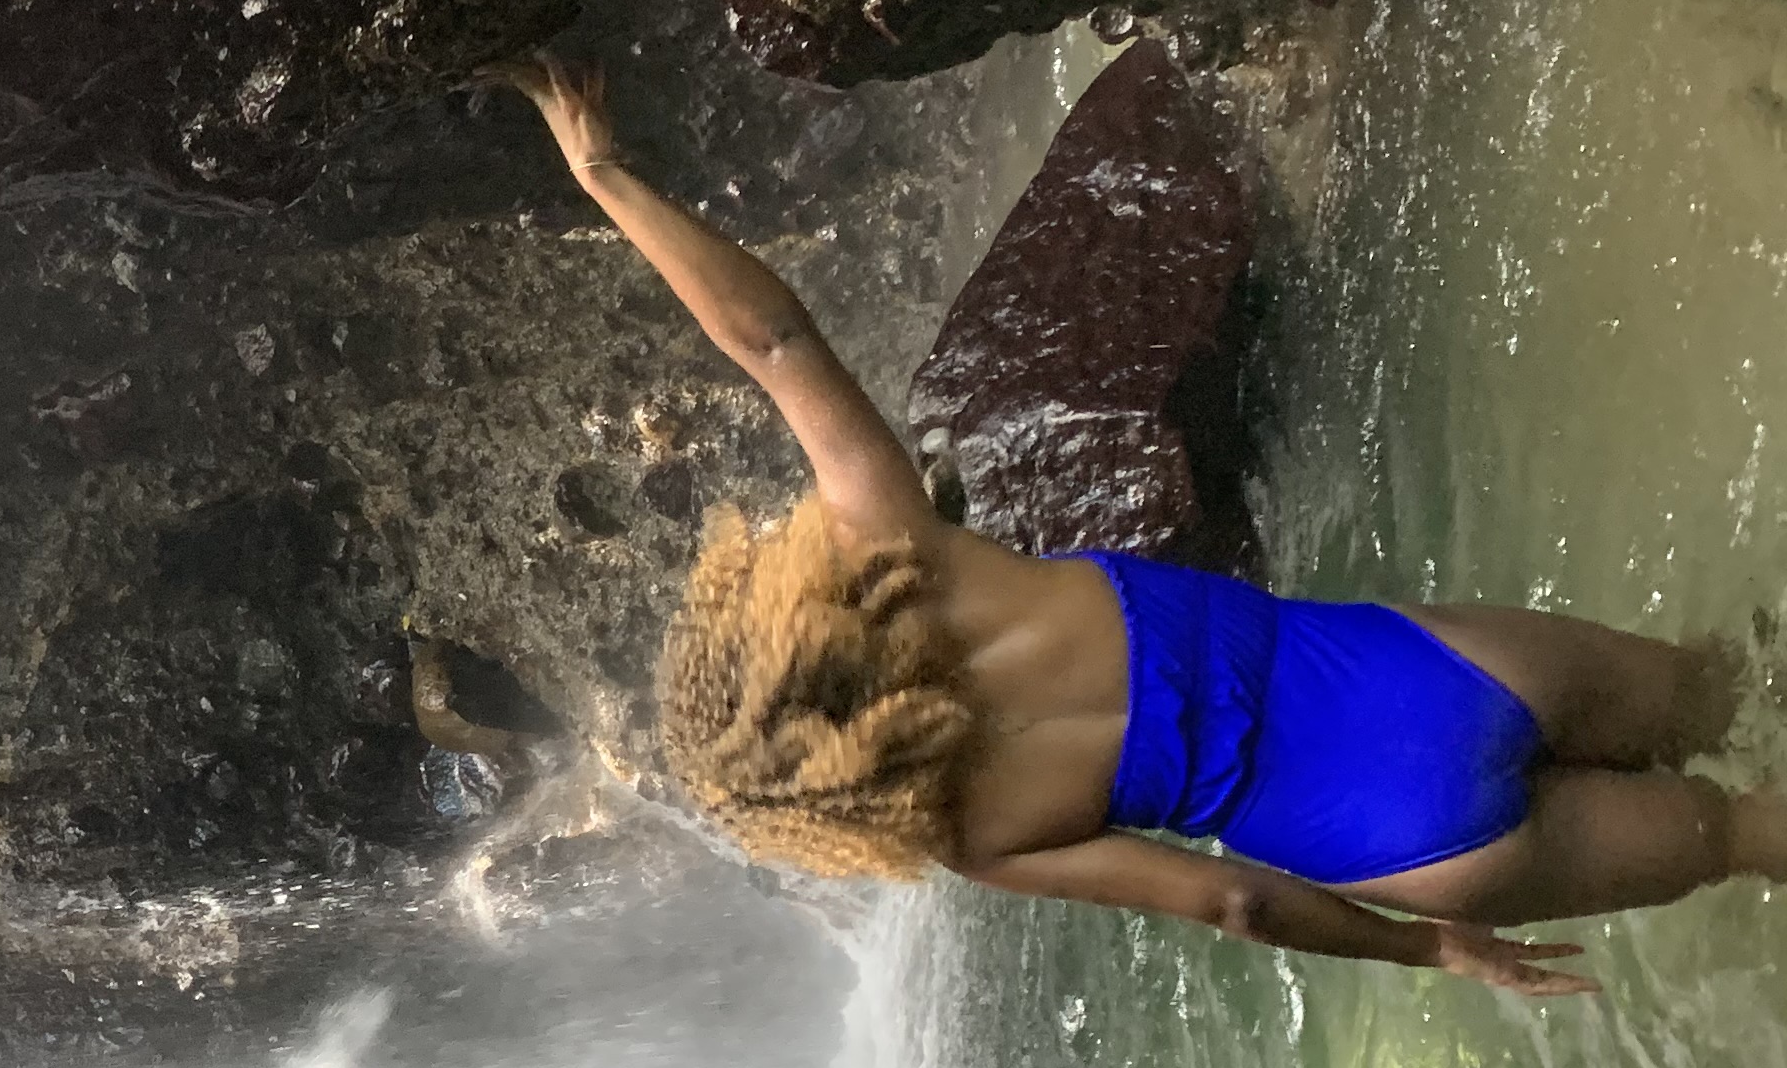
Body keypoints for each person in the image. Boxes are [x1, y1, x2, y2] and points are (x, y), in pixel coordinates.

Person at [492, 55, 1786, 997]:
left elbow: (1233, 901)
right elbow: (773, 341)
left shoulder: (977, 838)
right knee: (1712, 691)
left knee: (1737, 838)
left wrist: (1427, 945)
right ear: (777, 627)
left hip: (1413, 844)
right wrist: (607, 175)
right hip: (1430, 679)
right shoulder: (913, 560)